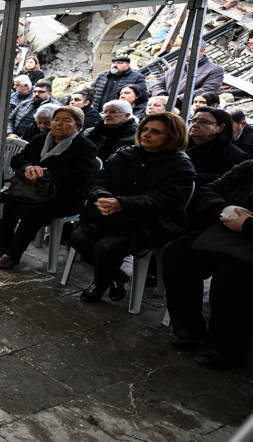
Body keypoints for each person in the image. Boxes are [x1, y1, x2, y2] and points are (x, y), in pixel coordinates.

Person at [162, 123, 253, 369]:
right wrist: (224, 209)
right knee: (178, 253)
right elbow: (207, 192)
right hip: (228, 238)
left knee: (233, 277)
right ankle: (189, 328)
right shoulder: (250, 169)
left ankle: (228, 348)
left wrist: (251, 225)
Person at [70, 112, 195, 303]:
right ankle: (116, 277)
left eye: (156, 132)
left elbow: (162, 201)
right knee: (78, 237)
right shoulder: (125, 154)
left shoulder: (180, 166)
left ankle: (100, 284)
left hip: (150, 222)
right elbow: (97, 182)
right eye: (144, 129)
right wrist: (104, 198)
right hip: (111, 216)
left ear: (172, 136)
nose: (146, 134)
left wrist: (122, 204)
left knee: (107, 246)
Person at [0, 106, 96, 270]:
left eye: (66, 120)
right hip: (30, 189)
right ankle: (3, 247)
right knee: (4, 201)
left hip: (63, 195)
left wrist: (44, 175)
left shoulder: (85, 147)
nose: (59, 123)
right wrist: (28, 167)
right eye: (56, 119)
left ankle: (13, 254)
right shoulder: (40, 139)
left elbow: (80, 176)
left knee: (31, 212)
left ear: (78, 125)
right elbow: (18, 159)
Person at [185, 106, 247, 186]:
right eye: (193, 121)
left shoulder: (234, 156)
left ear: (220, 128)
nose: (195, 125)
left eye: (203, 122)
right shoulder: (179, 146)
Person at [150, 47, 224, 107]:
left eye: (189, 49)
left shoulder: (215, 70)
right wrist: (161, 96)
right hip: (162, 106)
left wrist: (176, 100)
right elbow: (159, 85)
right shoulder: (175, 68)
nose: (185, 51)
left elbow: (207, 90)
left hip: (185, 109)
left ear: (202, 50)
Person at [83, 99, 138, 164]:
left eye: (113, 112)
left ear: (126, 115)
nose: (107, 115)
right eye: (105, 112)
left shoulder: (134, 137)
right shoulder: (93, 131)